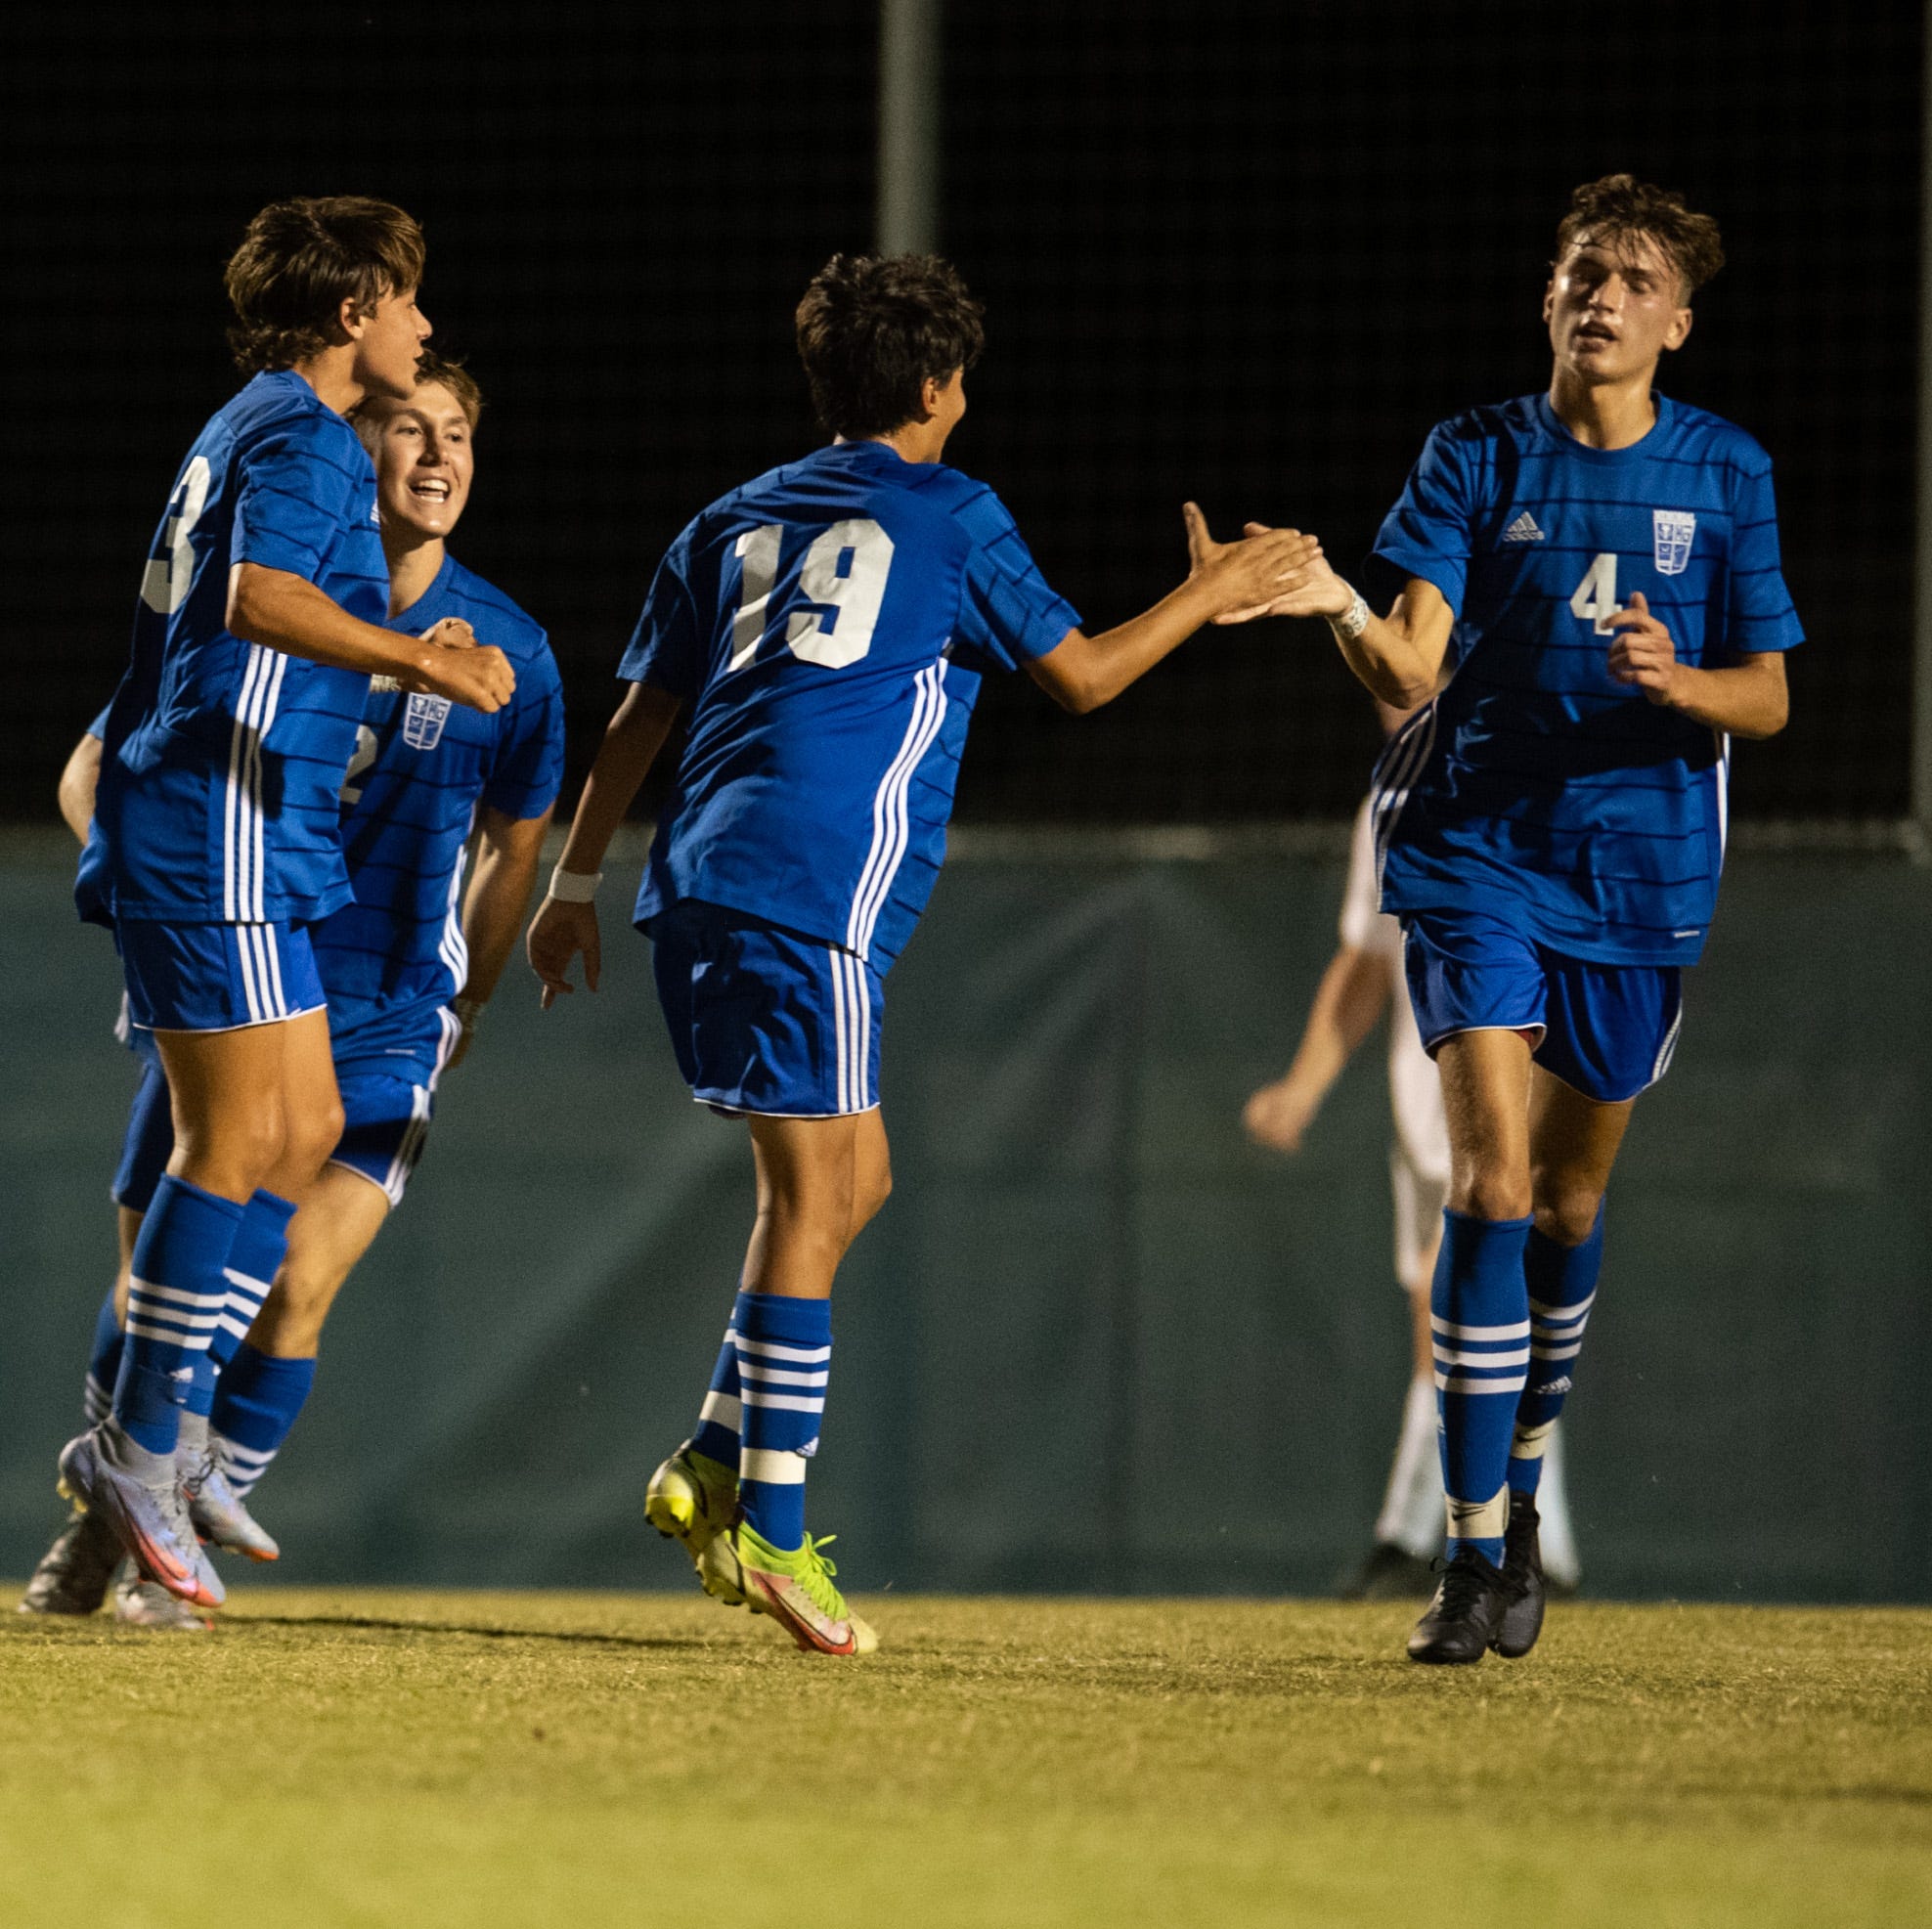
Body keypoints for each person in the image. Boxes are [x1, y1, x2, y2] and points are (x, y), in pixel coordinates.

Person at [527, 252, 1319, 1656]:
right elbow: (1079, 678)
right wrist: (1215, 589)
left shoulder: (732, 514)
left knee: (852, 1178)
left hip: (704, 872)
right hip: (809, 888)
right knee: (813, 1191)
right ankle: (771, 1522)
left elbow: (638, 719)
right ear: (945, 387)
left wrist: (572, 882)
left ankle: (714, 1453)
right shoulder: (952, 511)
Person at [1239, 174, 1799, 1663]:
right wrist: (1339, 606)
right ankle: (1470, 1554)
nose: (1602, 296)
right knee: (1486, 1188)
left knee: (1565, 1207)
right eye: (1581, 272)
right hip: (1476, 846)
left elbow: (1773, 694)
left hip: (1642, 875)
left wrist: (1684, 683)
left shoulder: (1727, 471)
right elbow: (1408, 670)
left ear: (1678, 320)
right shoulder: (1474, 454)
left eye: (1632, 278)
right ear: (1546, 299)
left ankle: (1523, 1500)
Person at [25, 357, 562, 1628]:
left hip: (385, 1003)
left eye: (458, 435)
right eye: (407, 429)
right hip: (237, 958)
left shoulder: (514, 650)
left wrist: (468, 998)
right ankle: (120, 1524)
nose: (436, 455)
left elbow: (516, 840)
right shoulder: (288, 600)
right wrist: (169, 888)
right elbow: (102, 755)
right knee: (161, 1275)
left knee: (298, 1277)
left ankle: (177, 1520)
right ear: (353, 447)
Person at [1244, 726, 1580, 1600]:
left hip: (1510, 1109)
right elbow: (1368, 959)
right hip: (1422, 1119)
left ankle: (1410, 1538)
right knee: (1457, 1329)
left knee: (1465, 1308)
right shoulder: (1389, 797)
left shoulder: (1537, 772)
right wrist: (1304, 1087)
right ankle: (1543, 1545)